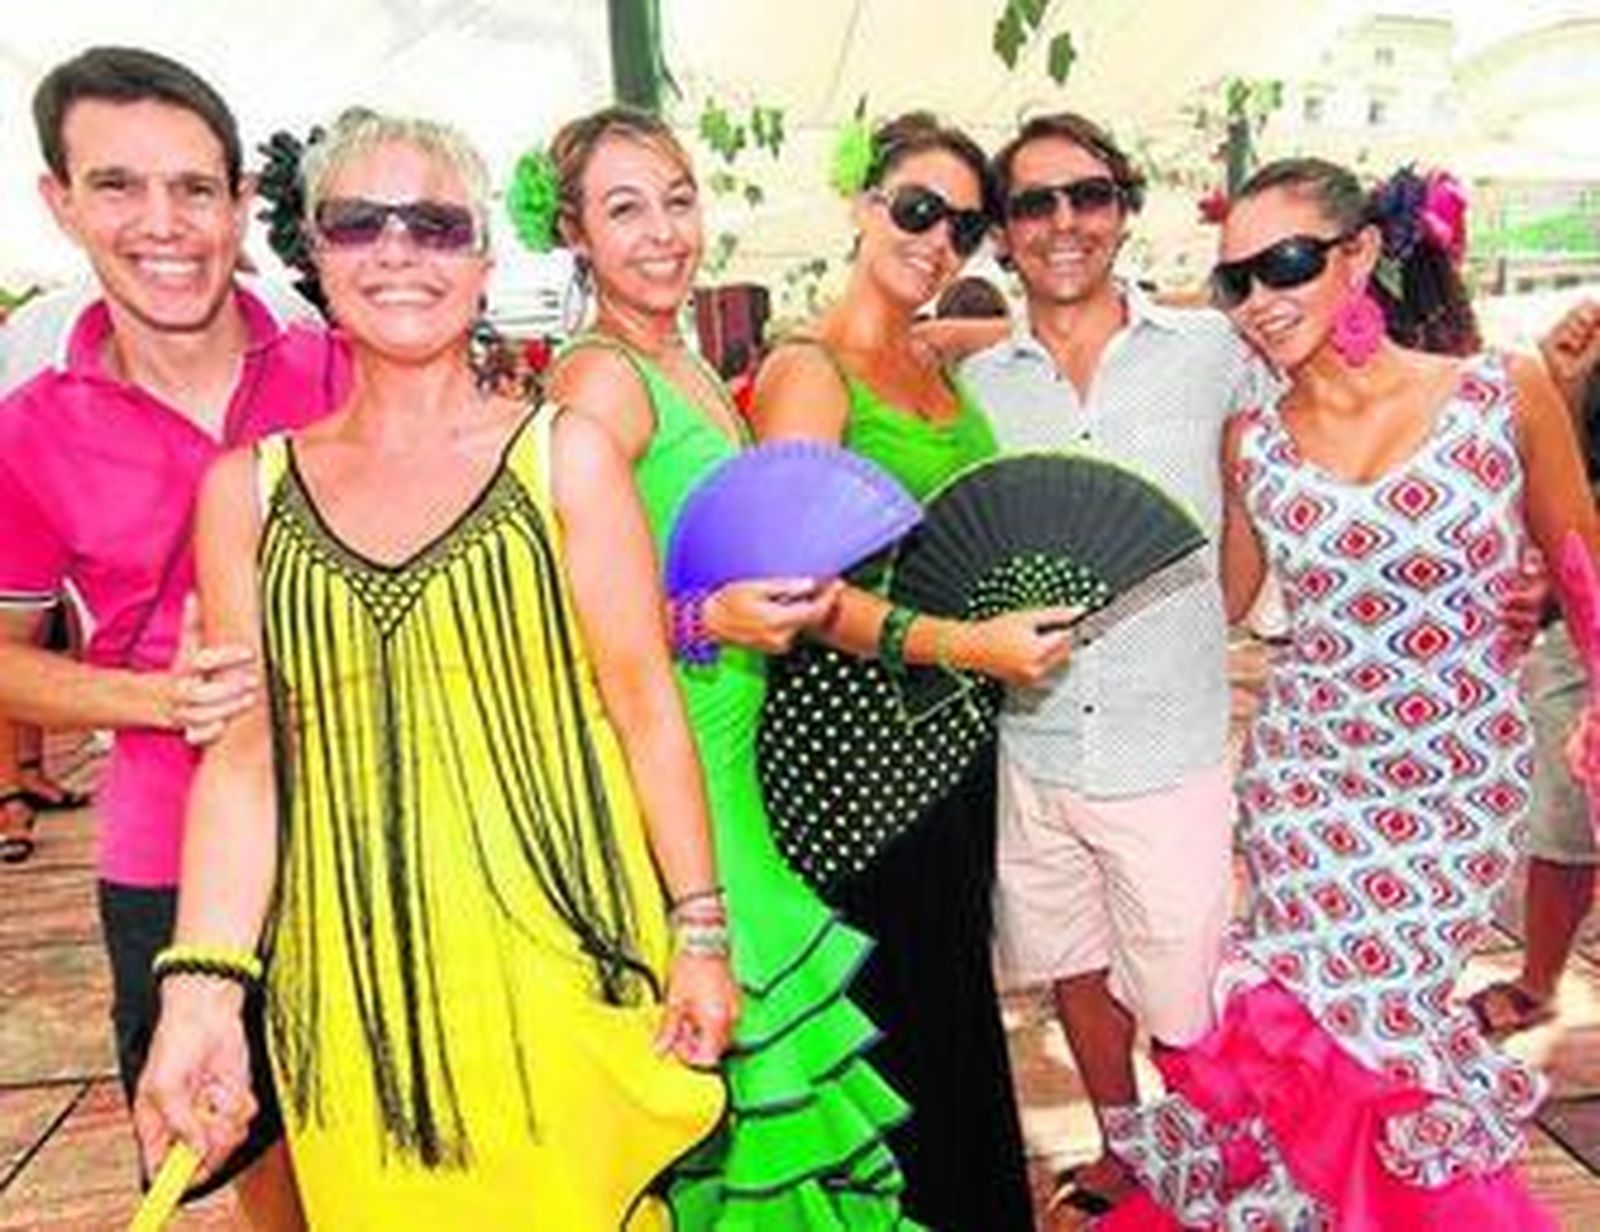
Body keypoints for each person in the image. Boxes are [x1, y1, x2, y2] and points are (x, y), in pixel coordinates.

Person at [132, 108, 734, 1228]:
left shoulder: (568, 456)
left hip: (567, 962)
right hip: (354, 992)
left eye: (435, 223)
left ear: (482, 257)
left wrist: (699, 932)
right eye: (362, 223)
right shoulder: (245, 494)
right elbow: (242, 765)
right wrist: (200, 991)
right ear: (315, 251)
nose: (398, 250)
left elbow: (648, 709)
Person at [1102, 157, 1598, 1229]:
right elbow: (1220, 603)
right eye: (1235, 280)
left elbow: (1578, 568)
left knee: (1384, 1023)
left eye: (1284, 263)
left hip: (1453, 784)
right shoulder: (1252, 442)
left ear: (1360, 254)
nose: (1260, 299)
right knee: (1310, 1025)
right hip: (1305, 782)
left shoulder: (1498, 389)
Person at [543, 104, 917, 1228]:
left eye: (675, 198)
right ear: (573, 234)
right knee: (746, 1097)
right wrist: (706, 617)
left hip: (734, 754)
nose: (661, 232)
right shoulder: (598, 384)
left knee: (763, 1104)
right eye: (623, 209)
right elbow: (556, 626)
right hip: (677, 770)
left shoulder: (689, 359)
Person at [0, 46, 347, 1224]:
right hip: (170, 843)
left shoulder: (341, 368)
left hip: (372, 815)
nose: (165, 223)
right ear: (60, 202)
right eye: (118, 186)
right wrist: (158, 700)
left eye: (195, 188)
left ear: (241, 204)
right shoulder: (29, 432)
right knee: (246, 1147)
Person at [752, 111, 1077, 1231]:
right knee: (892, 1006)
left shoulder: (932, 359)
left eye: (965, 224)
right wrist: (968, 646)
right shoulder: (808, 370)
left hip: (949, 738)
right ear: (860, 204)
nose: (937, 240)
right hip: (851, 750)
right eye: (916, 208)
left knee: (947, 995)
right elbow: (794, 591)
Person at [958, 111, 1268, 1220]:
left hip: (1167, 739)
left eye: (1086, 194)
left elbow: (1281, 477)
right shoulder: (976, 386)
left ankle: (1217, 1162)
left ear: (1124, 208)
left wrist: (1216, 618)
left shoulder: (1215, 351)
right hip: (1033, 739)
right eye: (1033, 203)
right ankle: (1124, 1147)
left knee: (1185, 992)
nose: (1063, 223)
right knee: (1071, 967)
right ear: (1001, 232)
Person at [1468, 297, 1600, 1037]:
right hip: (1584, 632)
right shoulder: (1586, 342)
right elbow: (1561, 490)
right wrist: (1561, 387)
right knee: (1565, 818)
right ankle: (1540, 978)